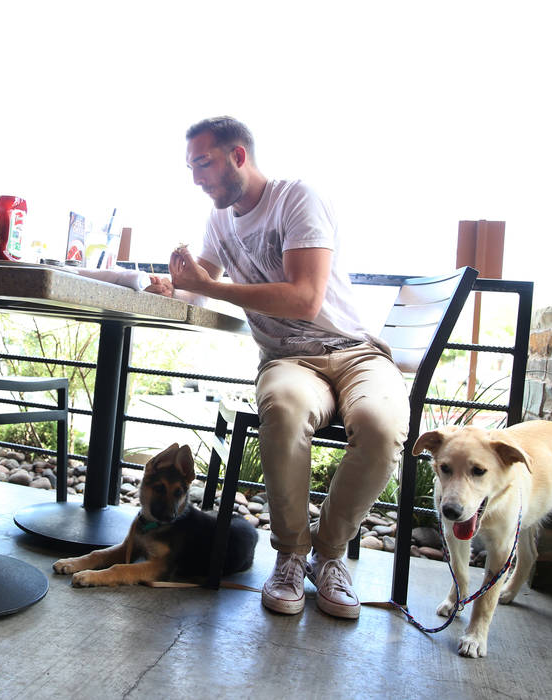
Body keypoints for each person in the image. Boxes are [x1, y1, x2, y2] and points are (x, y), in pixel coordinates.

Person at [152, 116, 409, 619]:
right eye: (191, 167)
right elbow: (206, 279)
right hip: (288, 361)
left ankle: (329, 556)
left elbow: (306, 299)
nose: (197, 177)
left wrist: (208, 287)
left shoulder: (297, 198)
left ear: (238, 156)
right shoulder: (219, 218)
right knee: (285, 412)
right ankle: (291, 555)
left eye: (203, 163)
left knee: (381, 428)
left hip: (355, 352)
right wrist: (177, 286)